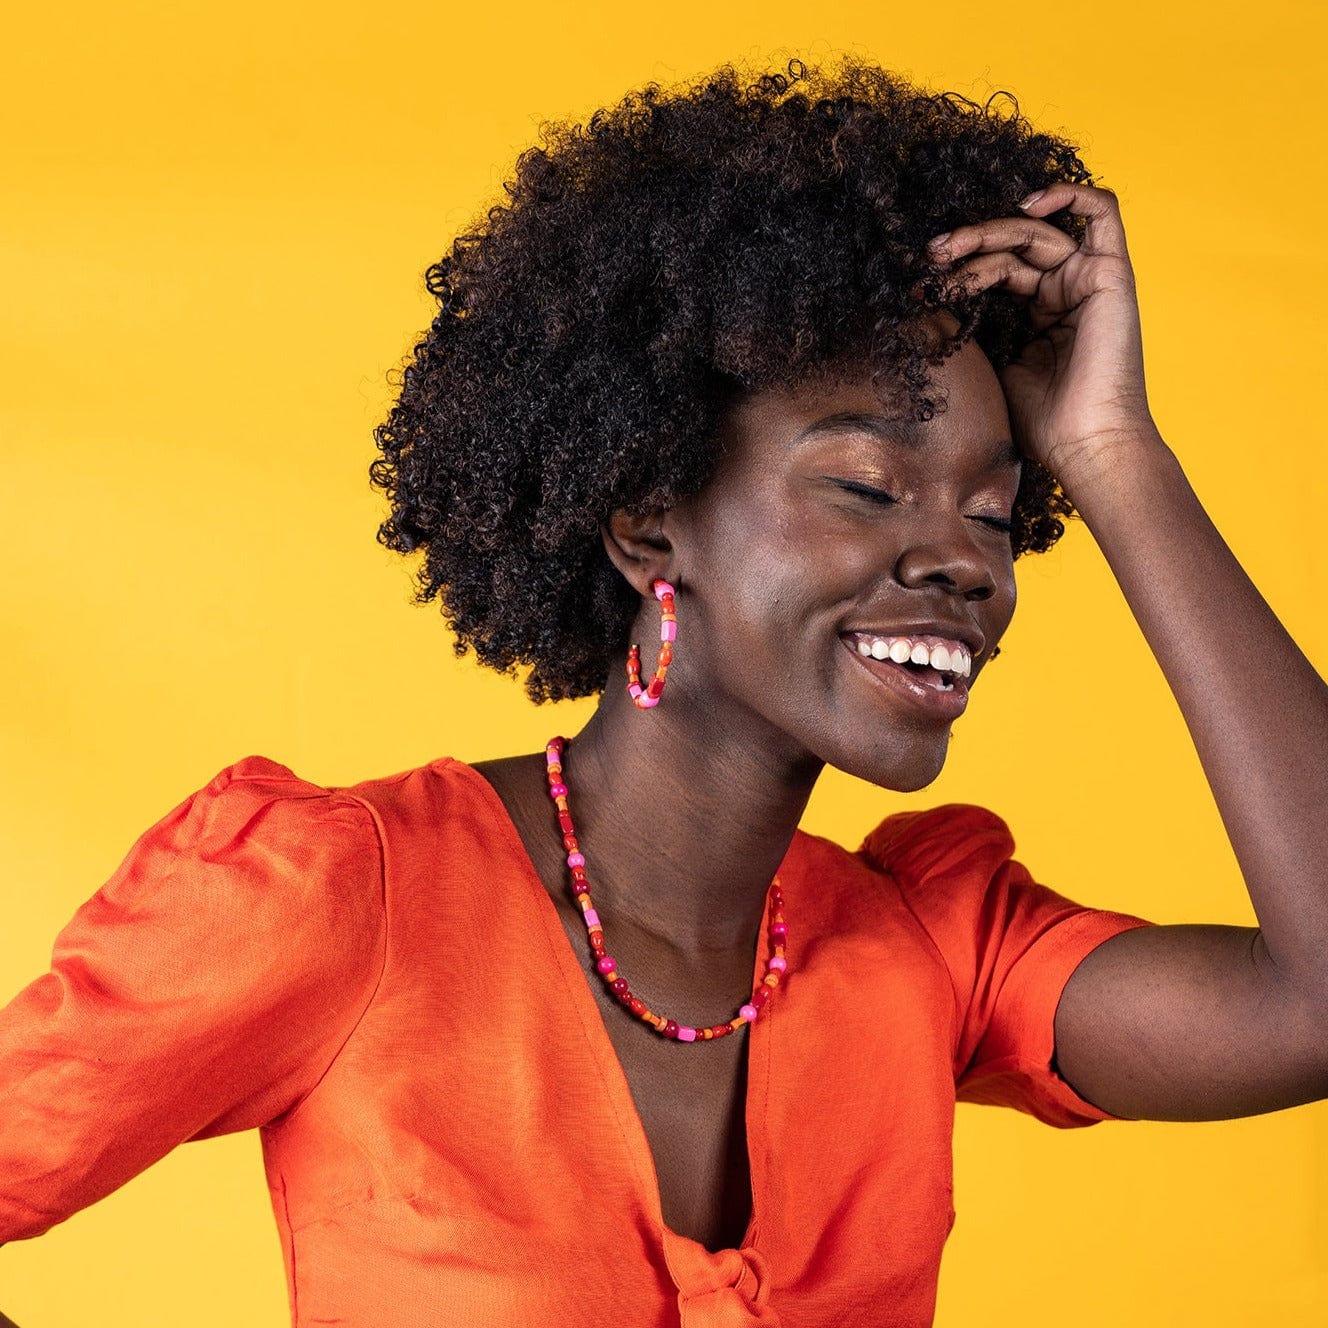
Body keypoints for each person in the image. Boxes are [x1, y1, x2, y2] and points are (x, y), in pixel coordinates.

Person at [1, 55, 1325, 1328]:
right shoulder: (346, 898)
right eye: (867, 486)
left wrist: (1114, 453)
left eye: (995, 512)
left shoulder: (931, 952)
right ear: (647, 525)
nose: (961, 562)